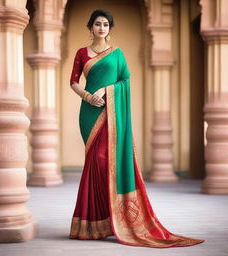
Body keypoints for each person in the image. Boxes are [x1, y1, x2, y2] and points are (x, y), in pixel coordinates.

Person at [68, 9, 204, 248]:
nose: (101, 28)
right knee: (95, 162)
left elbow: (125, 81)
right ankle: (94, 222)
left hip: (110, 112)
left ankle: (110, 219)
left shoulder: (117, 54)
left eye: (106, 25)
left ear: (110, 29)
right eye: (97, 24)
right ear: (90, 27)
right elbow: (73, 82)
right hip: (89, 113)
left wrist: (105, 91)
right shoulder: (81, 53)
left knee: (104, 161)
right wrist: (88, 96)